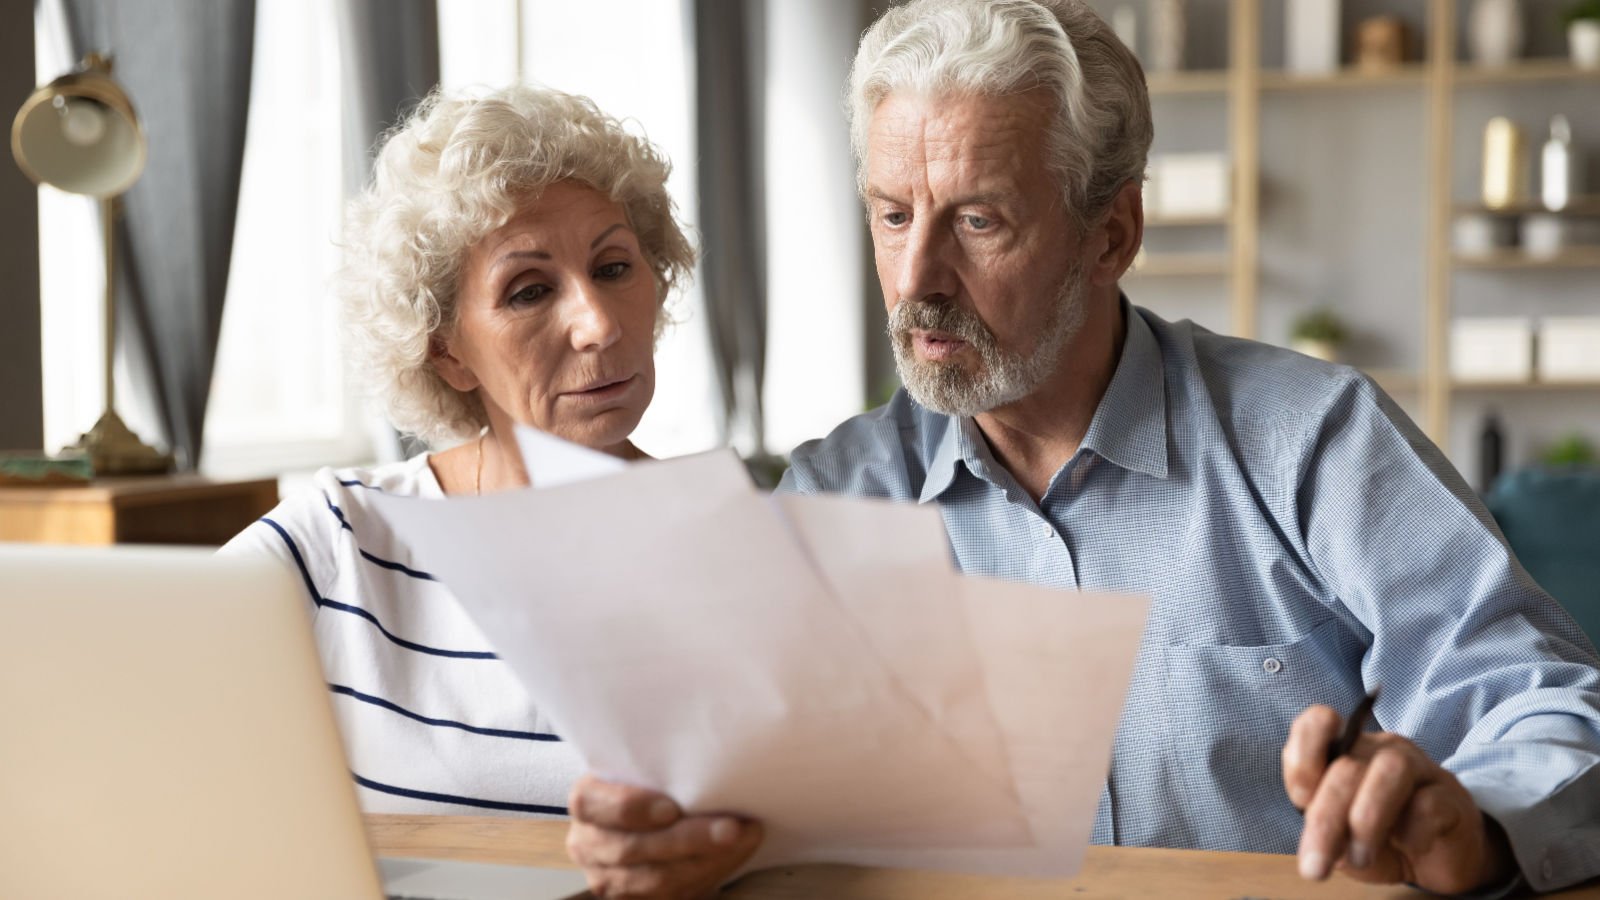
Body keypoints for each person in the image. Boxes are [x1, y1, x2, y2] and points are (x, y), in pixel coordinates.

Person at [565, 1, 1600, 896]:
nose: (916, 276)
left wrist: (1468, 823)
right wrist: (675, 832)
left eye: (977, 220)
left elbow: (1544, 702)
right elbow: (751, 780)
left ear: (1111, 234)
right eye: (890, 215)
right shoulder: (837, 492)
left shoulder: (1312, 442)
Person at [217, 84, 750, 846]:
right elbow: (135, 704)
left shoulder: (740, 550)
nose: (598, 324)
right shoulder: (342, 541)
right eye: (529, 291)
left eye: (614, 268)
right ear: (446, 351)